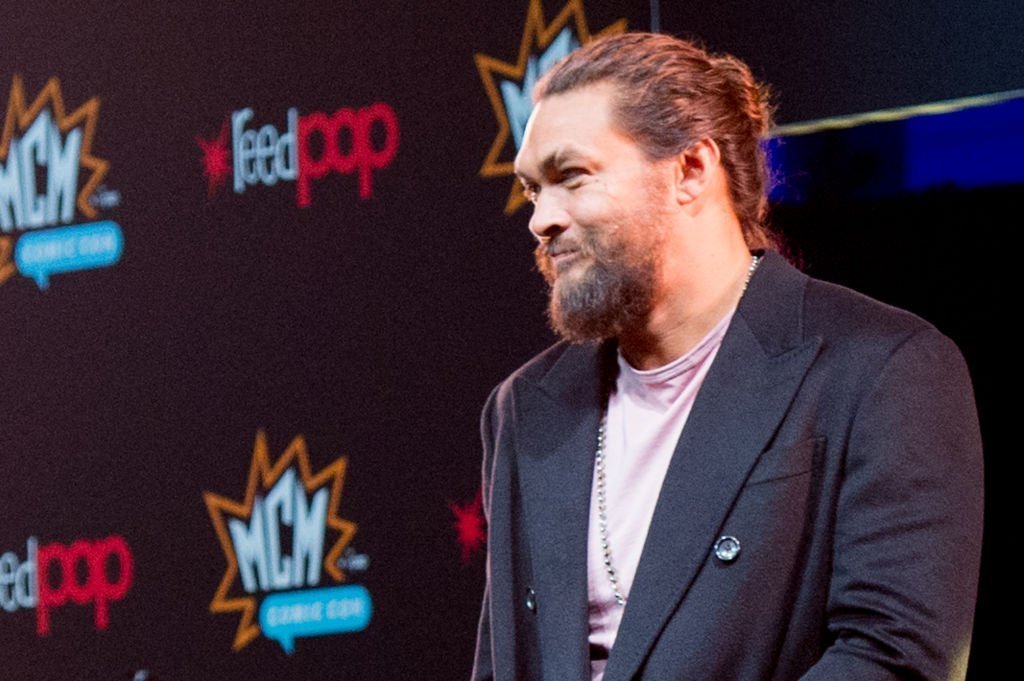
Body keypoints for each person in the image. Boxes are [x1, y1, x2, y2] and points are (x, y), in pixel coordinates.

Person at [471, 32, 983, 681]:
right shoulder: (524, 409)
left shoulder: (882, 369)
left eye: (571, 177)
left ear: (691, 169)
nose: (540, 217)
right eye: (531, 189)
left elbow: (895, 656)